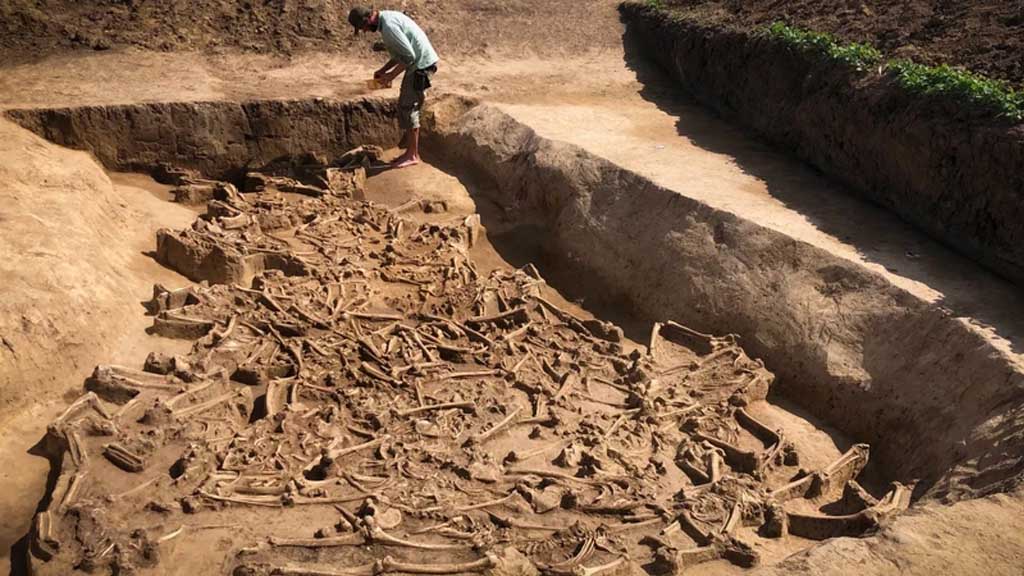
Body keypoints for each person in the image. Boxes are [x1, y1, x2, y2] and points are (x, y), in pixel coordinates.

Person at [349, 6, 439, 168]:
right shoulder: (387, 19)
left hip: (421, 65)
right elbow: (399, 54)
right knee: (406, 104)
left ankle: (412, 155)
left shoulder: (389, 28)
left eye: (363, 28)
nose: (364, 31)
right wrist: (383, 70)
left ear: (368, 20)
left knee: (408, 107)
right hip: (419, 63)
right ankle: (410, 151)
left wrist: (391, 76)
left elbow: (409, 57)